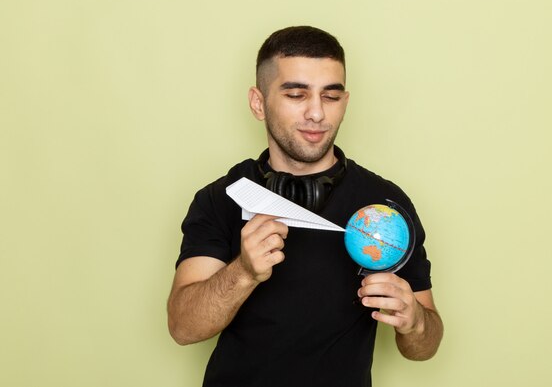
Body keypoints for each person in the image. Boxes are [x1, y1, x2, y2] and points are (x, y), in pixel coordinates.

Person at [167, 26, 443, 387]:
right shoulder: (222, 197)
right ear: (258, 103)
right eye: (296, 94)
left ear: (345, 102)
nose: (316, 113)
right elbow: (182, 328)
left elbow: (426, 345)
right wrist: (244, 272)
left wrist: (416, 321)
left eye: (331, 96)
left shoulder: (386, 205)